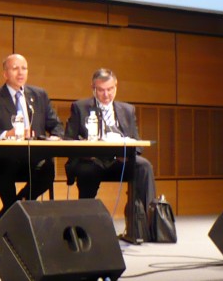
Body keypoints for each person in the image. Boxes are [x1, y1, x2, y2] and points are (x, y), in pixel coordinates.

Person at [64, 68, 156, 241]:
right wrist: (87, 150)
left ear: (116, 87)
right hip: (92, 161)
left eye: (110, 89)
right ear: (93, 88)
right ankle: (84, 228)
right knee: (87, 171)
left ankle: (144, 224)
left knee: (144, 166)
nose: (106, 95)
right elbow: (68, 140)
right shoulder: (80, 108)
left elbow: (138, 144)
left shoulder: (127, 109)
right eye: (101, 90)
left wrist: (127, 153)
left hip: (119, 162)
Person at [0, 53, 63, 222]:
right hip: (5, 159)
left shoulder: (39, 95)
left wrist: (56, 136)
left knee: (47, 169)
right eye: (15, 68)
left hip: (33, 158)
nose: (20, 73)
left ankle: (11, 212)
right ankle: (16, 213)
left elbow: (56, 125)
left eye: (24, 68)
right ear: (5, 74)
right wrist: (7, 134)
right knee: (3, 169)